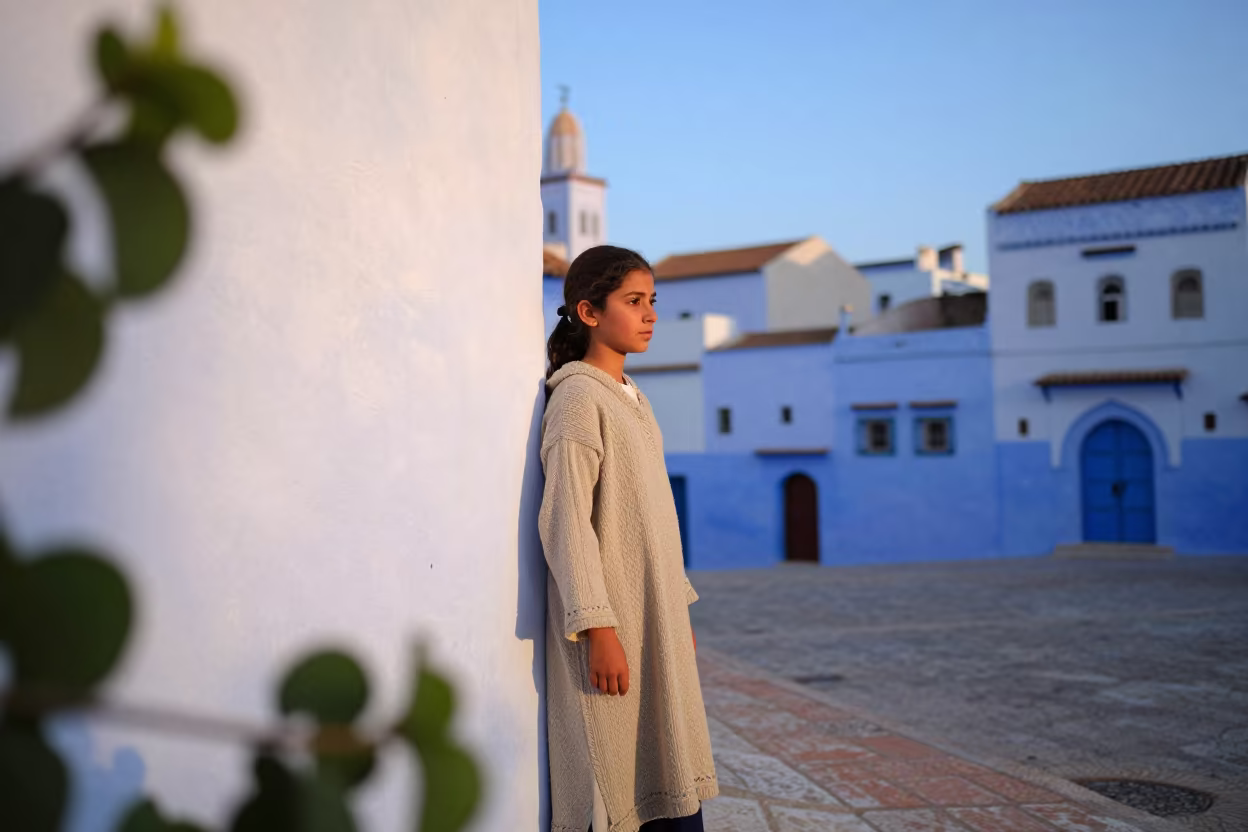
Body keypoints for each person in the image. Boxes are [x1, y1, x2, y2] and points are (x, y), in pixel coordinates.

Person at [539, 245, 718, 832]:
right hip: (613, 625)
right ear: (589, 313)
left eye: (653, 302)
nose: (650, 315)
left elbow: (655, 517)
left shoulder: (634, 399)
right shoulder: (576, 400)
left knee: (670, 776)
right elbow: (567, 521)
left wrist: (677, 604)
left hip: (654, 617)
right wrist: (598, 627)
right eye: (634, 302)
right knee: (617, 777)